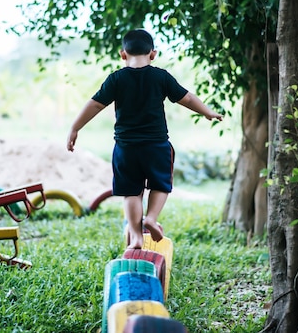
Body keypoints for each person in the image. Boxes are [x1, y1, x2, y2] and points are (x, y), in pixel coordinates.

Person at [66, 29, 223, 249]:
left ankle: (137, 237)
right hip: (156, 145)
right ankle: (151, 218)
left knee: (131, 192)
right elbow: (186, 98)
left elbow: (95, 104)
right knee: (161, 184)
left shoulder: (116, 79)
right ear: (153, 54)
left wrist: (75, 128)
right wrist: (207, 111)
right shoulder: (161, 76)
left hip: (126, 148)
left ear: (123, 54)